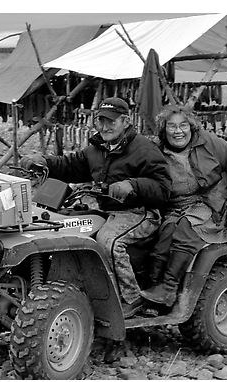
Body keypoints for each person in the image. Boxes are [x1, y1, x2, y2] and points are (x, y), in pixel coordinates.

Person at [20, 97, 171, 317]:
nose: (105, 126)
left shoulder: (143, 149)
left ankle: (132, 298)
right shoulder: (97, 148)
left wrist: (133, 185)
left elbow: (163, 187)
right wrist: (45, 161)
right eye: (101, 120)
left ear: (126, 121)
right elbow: (71, 165)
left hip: (139, 212)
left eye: (111, 121)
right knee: (67, 229)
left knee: (109, 241)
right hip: (108, 211)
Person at [141, 104, 227, 306]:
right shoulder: (155, 150)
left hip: (212, 203)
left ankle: (169, 288)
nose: (178, 131)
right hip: (177, 206)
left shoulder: (207, 142)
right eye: (172, 126)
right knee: (165, 233)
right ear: (163, 128)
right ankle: (151, 290)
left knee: (185, 228)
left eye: (183, 125)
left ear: (191, 126)